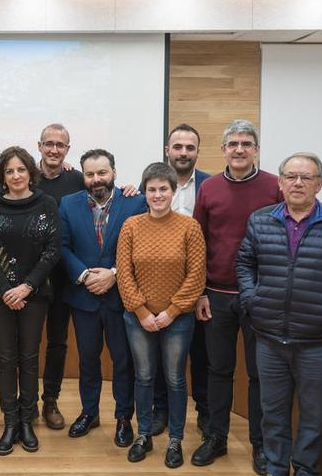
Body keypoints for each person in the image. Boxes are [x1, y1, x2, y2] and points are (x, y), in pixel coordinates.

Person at [236, 152, 322, 476]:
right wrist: (252, 298)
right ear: (279, 182)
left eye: (305, 177)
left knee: (313, 415)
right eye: (291, 176)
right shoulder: (259, 220)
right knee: (273, 413)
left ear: (318, 184)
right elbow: (244, 263)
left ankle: (307, 470)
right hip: (268, 339)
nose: (297, 183)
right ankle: (277, 468)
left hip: (317, 342)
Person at [191, 120, 282, 475]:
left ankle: (260, 445)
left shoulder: (275, 186)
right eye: (233, 144)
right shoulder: (210, 188)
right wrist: (199, 291)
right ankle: (216, 437)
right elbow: (198, 244)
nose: (239, 149)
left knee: (259, 375)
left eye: (246, 143)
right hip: (216, 296)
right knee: (218, 370)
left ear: (256, 149)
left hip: (261, 297)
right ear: (224, 149)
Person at [116, 162, 206, 468]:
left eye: (163, 189)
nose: (157, 195)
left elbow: (196, 276)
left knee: (175, 379)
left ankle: (175, 441)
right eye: (151, 189)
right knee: (143, 378)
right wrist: (142, 311)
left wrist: (171, 312)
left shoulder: (189, 227)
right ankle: (143, 435)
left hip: (177, 319)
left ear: (173, 191)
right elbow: (124, 275)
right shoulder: (131, 226)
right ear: (144, 192)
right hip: (138, 319)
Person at [0, 146, 61, 456]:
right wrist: (4, 290)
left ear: (30, 172)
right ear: (2, 175)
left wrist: (26, 287)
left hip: (35, 295)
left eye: (21, 170)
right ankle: (9, 422)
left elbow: (53, 249)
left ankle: (27, 420)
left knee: (28, 358)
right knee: (6, 358)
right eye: (9, 171)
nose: (15, 176)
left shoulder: (46, 204)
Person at [59, 149, 145, 449]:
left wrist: (114, 273)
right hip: (83, 298)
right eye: (90, 174)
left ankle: (123, 418)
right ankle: (89, 412)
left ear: (114, 172)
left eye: (102, 173)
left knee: (123, 361)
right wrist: (85, 276)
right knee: (87, 360)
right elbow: (62, 246)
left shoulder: (136, 201)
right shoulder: (67, 204)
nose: (97, 179)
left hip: (120, 298)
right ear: (84, 176)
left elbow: (141, 250)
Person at [152, 124, 212, 436]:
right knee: (162, 358)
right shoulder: (151, 184)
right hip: (158, 287)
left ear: (197, 152)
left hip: (196, 286)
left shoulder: (211, 186)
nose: (183, 153)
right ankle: (160, 410)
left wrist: (201, 290)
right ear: (167, 150)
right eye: (178, 147)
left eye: (190, 147)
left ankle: (203, 411)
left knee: (200, 355)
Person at [35, 123, 84, 430]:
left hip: (63, 277)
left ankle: (50, 401)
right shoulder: (22, 174)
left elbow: (105, 198)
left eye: (60, 145)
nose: (54, 149)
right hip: (28, 278)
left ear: (68, 149)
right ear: (38, 146)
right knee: (22, 345)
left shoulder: (78, 180)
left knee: (57, 342)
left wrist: (130, 188)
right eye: (48, 143)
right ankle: (24, 402)